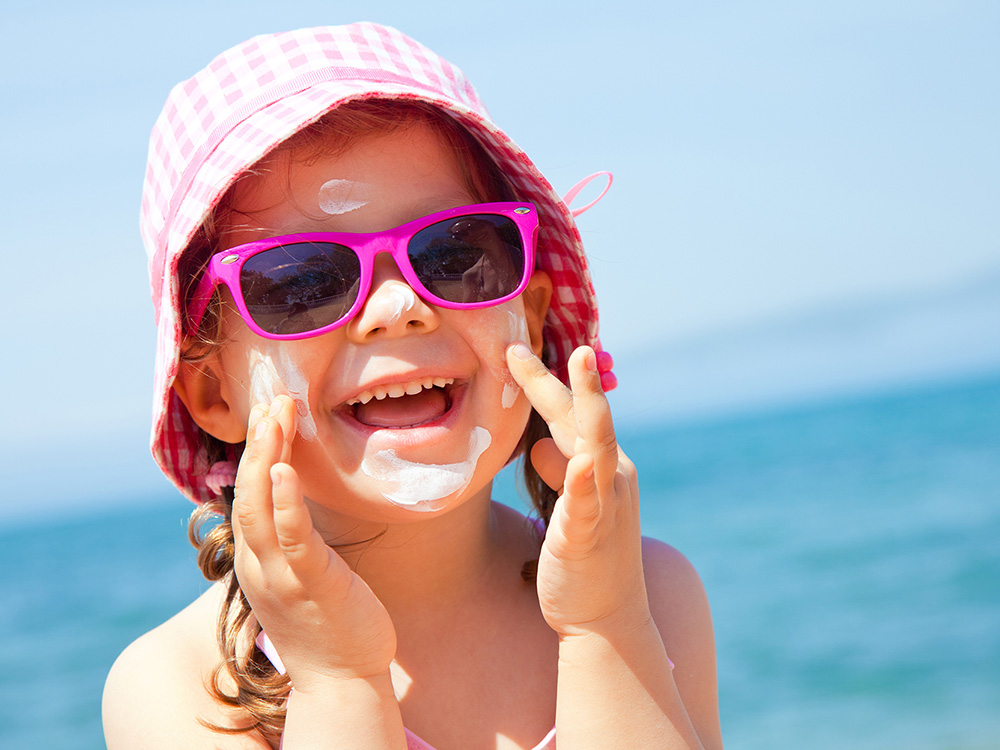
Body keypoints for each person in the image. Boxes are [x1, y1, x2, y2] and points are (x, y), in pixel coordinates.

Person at [102, 22, 723, 750]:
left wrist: (605, 628)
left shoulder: (649, 594)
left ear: (529, 316)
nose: (398, 307)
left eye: (455, 253)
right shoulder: (179, 687)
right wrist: (338, 683)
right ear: (212, 395)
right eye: (302, 282)